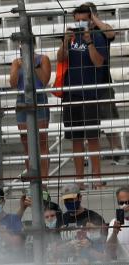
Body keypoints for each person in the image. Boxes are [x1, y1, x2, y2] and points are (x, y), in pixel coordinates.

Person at [58, 4, 109, 188]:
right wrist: (64, 41)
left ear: (90, 20)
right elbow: (60, 58)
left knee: (93, 138)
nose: (80, 23)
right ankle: (79, 179)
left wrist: (88, 42)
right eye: (77, 20)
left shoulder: (96, 36)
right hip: (71, 94)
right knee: (76, 139)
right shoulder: (70, 37)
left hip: (91, 93)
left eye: (83, 20)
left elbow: (98, 63)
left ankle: (96, 178)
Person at [82, 2, 124, 167]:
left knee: (109, 119)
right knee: (87, 121)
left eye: (88, 14)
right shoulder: (80, 31)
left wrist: (94, 18)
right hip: (85, 83)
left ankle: (116, 151)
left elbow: (111, 33)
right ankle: (89, 155)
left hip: (103, 82)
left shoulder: (101, 29)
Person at [9, 46, 51, 179]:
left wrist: (33, 64)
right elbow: (13, 84)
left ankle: (43, 179)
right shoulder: (16, 62)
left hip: (38, 97)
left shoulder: (43, 59)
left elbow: (44, 80)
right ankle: (32, 179)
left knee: (42, 140)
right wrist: (17, 67)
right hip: (22, 98)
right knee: (25, 140)